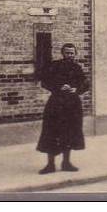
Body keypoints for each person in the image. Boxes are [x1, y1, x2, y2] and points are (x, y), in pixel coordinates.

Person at [36, 43, 88, 174]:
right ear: (62, 53)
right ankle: (50, 164)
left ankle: (66, 163)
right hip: (56, 105)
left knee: (69, 133)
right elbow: (44, 82)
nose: (69, 55)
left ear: (75, 54)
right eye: (67, 52)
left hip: (72, 105)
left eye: (72, 53)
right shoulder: (54, 66)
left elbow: (85, 84)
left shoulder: (77, 68)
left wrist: (76, 89)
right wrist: (58, 87)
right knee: (51, 133)